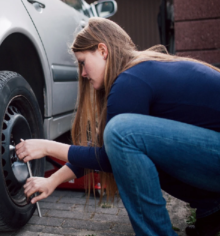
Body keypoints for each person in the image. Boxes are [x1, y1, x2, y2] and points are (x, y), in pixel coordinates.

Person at [15, 17, 220, 236]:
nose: (83, 73)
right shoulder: (141, 72)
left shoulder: (130, 79)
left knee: (121, 133)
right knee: (126, 141)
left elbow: (107, 157)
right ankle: (212, 210)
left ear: (103, 50)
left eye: (83, 62)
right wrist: (52, 180)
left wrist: (47, 147)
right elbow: (105, 150)